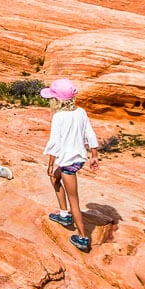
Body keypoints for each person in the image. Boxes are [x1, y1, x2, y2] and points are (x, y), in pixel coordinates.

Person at [40, 78, 99, 252]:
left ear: (57, 101)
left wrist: (51, 164)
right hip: (78, 159)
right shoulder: (81, 112)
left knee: (74, 201)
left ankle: (82, 237)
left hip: (68, 164)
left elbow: (55, 143)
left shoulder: (59, 117)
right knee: (54, 179)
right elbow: (89, 133)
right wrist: (94, 155)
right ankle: (64, 215)